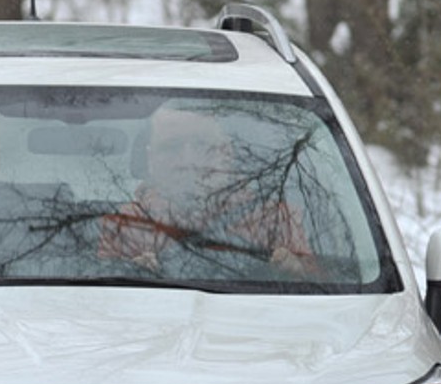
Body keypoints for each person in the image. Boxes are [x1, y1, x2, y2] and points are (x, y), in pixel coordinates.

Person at [98, 105, 315, 278]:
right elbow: (101, 305)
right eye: (171, 147)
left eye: (203, 145)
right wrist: (129, 275)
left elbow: (328, 293)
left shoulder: (276, 221)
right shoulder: (125, 225)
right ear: (150, 159)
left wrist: (297, 271)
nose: (189, 161)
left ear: (227, 154)